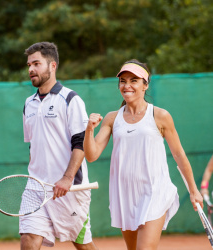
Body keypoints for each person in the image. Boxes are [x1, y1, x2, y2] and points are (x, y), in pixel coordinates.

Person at [83, 59, 203, 250]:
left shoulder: (160, 116)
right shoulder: (112, 118)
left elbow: (179, 155)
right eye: (123, 81)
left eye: (134, 80)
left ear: (145, 85)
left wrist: (194, 191)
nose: (127, 85)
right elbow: (91, 155)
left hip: (154, 192)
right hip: (124, 194)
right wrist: (89, 130)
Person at [21, 42, 97, 250]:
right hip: (35, 187)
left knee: (83, 244)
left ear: (52, 65)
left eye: (36, 64)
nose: (30, 69)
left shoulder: (71, 99)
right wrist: (35, 175)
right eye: (29, 65)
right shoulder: (29, 103)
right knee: (28, 240)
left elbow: (79, 143)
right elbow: (33, 146)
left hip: (69, 189)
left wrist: (66, 178)